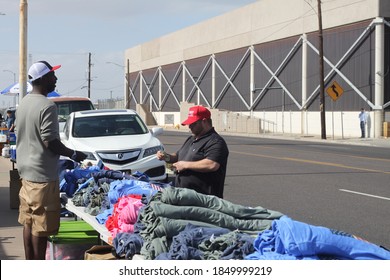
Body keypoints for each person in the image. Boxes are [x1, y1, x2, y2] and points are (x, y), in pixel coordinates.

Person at [15, 61, 87, 260]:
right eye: (52, 75)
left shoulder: (23, 104)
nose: (56, 79)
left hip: (26, 175)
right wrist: (73, 154)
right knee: (41, 227)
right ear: (43, 79)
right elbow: (50, 141)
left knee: (28, 222)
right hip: (42, 177)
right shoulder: (47, 106)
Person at [156, 105, 229, 198]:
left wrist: (185, 165)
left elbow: (212, 164)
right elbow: (178, 156)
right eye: (189, 123)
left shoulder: (215, 141)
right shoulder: (191, 139)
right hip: (184, 196)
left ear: (204, 121)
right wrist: (166, 156)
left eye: (193, 123)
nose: (190, 126)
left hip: (204, 200)